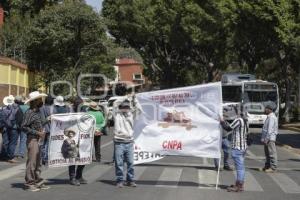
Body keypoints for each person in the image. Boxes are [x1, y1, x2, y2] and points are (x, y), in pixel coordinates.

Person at [22, 91, 49, 192]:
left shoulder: (37, 111)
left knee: (38, 162)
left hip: (39, 139)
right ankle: (29, 183)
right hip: (33, 139)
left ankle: (37, 181)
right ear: (35, 101)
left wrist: (48, 119)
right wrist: (37, 133)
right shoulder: (29, 112)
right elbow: (23, 127)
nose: (41, 100)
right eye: (39, 99)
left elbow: (40, 123)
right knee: (32, 162)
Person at [220, 105, 248, 192]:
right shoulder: (246, 120)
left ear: (238, 112)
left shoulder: (238, 120)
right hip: (243, 146)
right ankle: (240, 183)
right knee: (241, 167)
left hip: (238, 147)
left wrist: (221, 121)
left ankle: (239, 185)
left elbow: (228, 128)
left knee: (239, 167)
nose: (234, 112)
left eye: (235, 110)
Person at [114, 99, 138, 188]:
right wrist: (124, 97)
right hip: (119, 142)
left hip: (129, 142)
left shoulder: (131, 115)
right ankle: (120, 180)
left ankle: (130, 180)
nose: (125, 108)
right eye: (124, 107)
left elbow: (138, 109)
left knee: (130, 163)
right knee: (119, 163)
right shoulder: (117, 115)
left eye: (127, 107)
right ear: (121, 107)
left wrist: (134, 99)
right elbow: (114, 104)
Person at [68, 96, 87, 186]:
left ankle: (79, 175)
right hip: (73, 138)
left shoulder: (84, 111)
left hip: (82, 138)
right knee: (73, 158)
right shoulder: (70, 112)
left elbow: (87, 121)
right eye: (79, 103)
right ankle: (72, 177)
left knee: (83, 158)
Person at [261, 103, 278, 173]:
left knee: (271, 153)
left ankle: (273, 167)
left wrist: (266, 139)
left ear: (270, 110)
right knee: (267, 153)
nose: (265, 110)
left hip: (270, 138)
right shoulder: (269, 116)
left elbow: (270, 129)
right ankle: (267, 166)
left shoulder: (271, 117)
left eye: (266, 108)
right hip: (267, 138)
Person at [39, 95, 54, 165]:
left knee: (43, 144)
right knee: (48, 144)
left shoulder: (41, 108)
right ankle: (45, 158)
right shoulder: (53, 108)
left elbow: (41, 120)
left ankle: (42, 157)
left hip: (43, 128)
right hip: (50, 128)